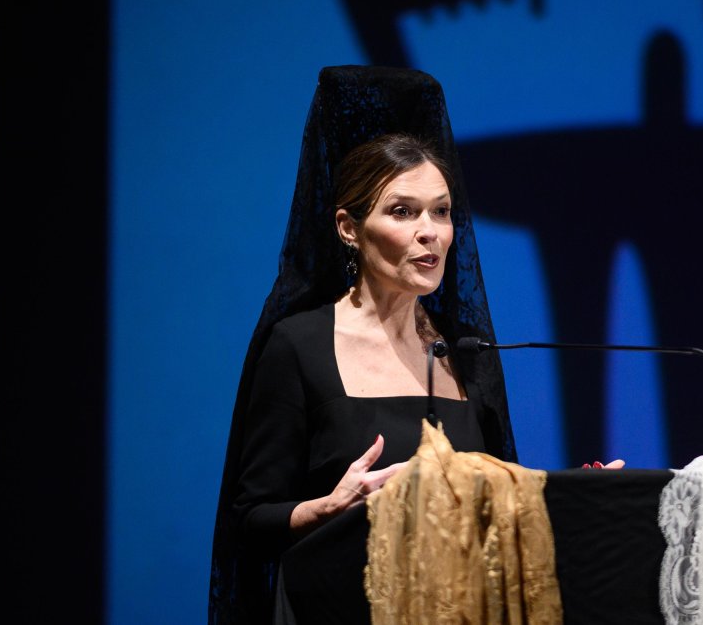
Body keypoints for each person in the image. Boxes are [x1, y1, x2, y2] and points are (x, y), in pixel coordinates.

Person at [208, 66, 516, 625]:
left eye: (441, 211)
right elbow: (250, 520)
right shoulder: (299, 346)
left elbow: (496, 505)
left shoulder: (466, 350)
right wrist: (328, 509)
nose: (430, 231)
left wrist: (573, 494)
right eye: (402, 211)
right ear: (348, 227)